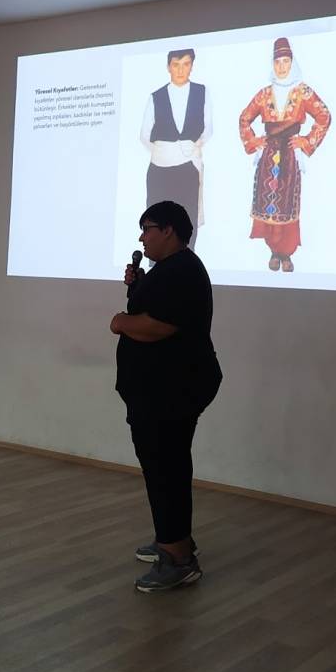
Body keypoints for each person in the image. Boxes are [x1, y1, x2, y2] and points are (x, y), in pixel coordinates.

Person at [110, 200, 222, 592]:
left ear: (169, 230)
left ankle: (177, 560)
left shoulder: (180, 271)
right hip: (164, 387)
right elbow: (163, 311)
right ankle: (174, 540)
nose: (142, 237)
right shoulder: (171, 269)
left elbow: (161, 326)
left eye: (148, 229)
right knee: (167, 465)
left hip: (172, 389)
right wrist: (140, 286)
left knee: (164, 468)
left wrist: (121, 322)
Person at [238, 36, 331, 272]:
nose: (281, 67)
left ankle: (286, 253)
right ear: (273, 64)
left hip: (289, 154)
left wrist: (306, 141)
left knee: (288, 203)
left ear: (292, 62)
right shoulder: (264, 94)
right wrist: (253, 141)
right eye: (277, 62)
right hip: (269, 155)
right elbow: (244, 118)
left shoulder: (303, 91)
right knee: (269, 203)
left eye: (286, 61)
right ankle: (273, 251)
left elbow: (324, 116)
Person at [140, 48, 211, 249]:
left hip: (188, 167)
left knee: (186, 221)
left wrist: (188, 149)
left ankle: (186, 264)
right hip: (159, 169)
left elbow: (208, 129)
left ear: (192, 66)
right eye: (176, 65)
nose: (180, 70)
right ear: (168, 67)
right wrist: (166, 150)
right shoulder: (156, 96)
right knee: (157, 222)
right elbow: (144, 135)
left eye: (186, 64)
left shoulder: (201, 92)